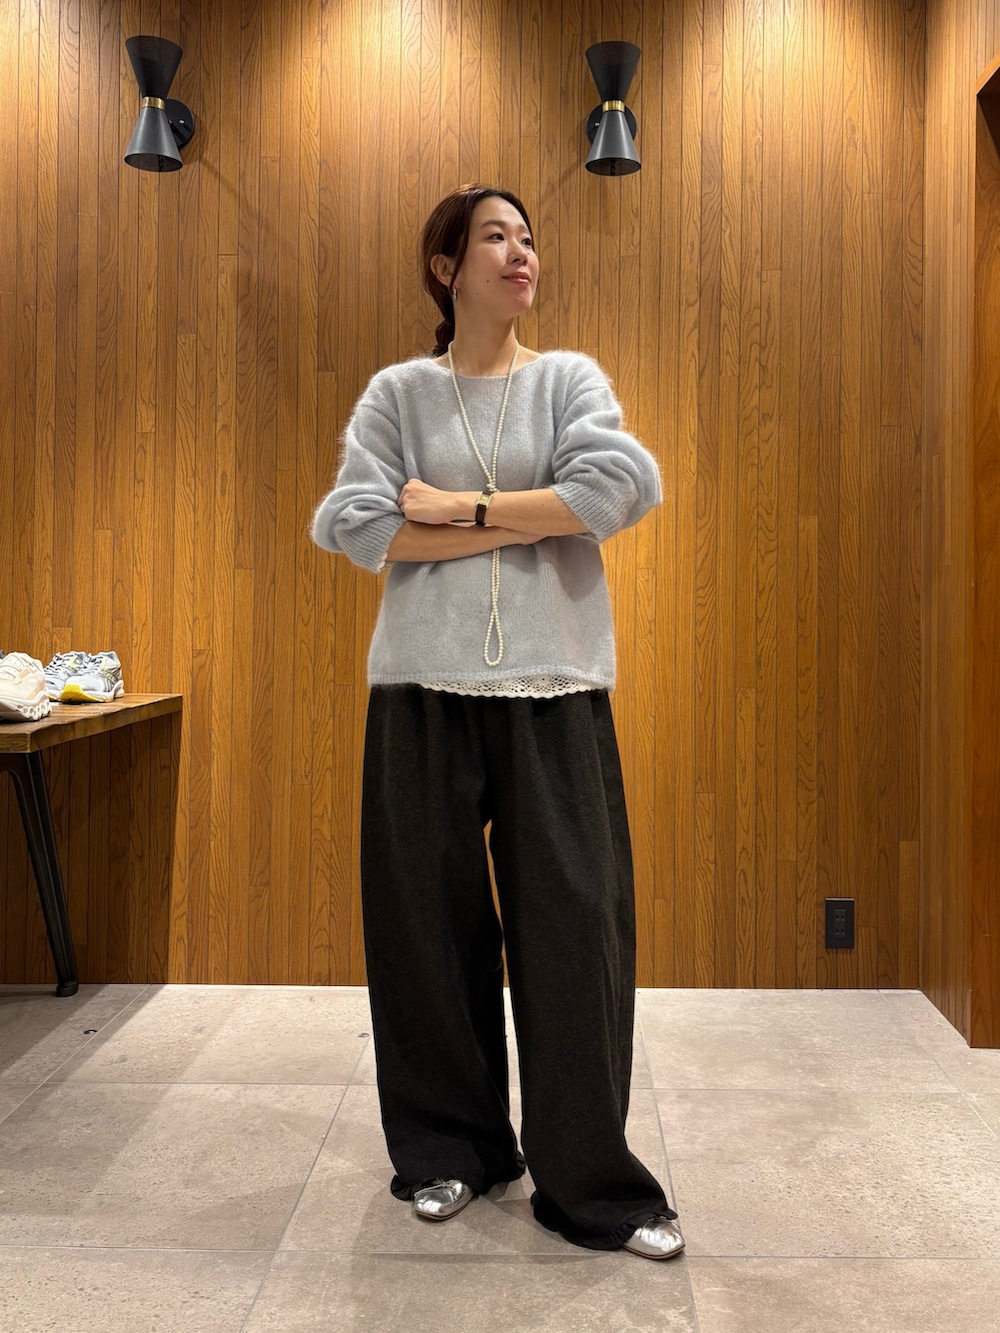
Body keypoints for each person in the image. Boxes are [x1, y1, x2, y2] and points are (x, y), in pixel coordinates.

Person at [312, 184, 684, 1260]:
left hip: (554, 688)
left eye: (528, 238)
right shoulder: (399, 395)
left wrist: (456, 508)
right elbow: (356, 524)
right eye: (495, 237)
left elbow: (613, 490)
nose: (521, 253)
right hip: (417, 692)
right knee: (424, 933)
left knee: (576, 933)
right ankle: (450, 1148)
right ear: (446, 268)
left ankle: (590, 1185)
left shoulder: (568, 381)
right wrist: (525, 519)